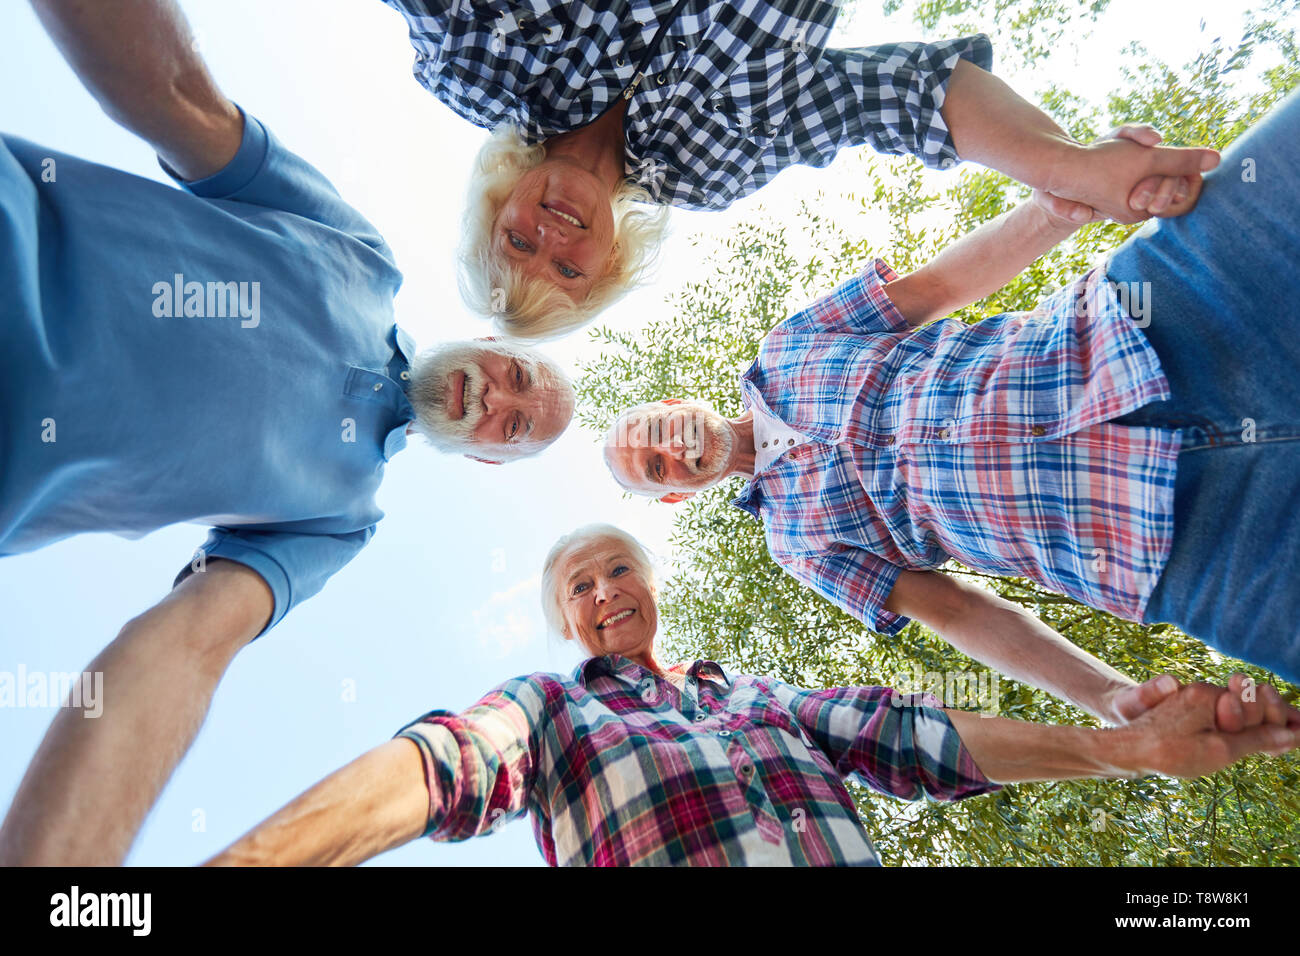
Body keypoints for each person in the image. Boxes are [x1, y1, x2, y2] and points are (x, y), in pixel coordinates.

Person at [0, 0, 574, 865]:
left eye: (515, 430)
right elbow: (178, 96)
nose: (499, 401)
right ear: (494, 344)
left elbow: (189, 646)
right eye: (520, 378)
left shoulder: (341, 521)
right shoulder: (362, 253)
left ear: (485, 459)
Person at [602, 86, 1300, 707]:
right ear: (675, 495)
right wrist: (1110, 697)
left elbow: (935, 289)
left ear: (670, 404)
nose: (671, 447)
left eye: (653, 430)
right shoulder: (797, 544)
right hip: (1171, 542)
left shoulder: (789, 345)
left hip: (1153, 319)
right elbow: (958, 612)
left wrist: (1059, 203)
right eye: (655, 467)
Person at [202, 524, 1298, 867]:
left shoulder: (759, 696)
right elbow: (446, 764)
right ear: (569, 619)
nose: (601, 590)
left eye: (615, 569)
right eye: (577, 585)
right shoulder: (551, 706)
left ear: (648, 589)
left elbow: (911, 734)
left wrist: (1124, 747)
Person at [379, 0, 1218, 340]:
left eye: (516, 243)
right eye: (565, 269)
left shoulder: (479, 70)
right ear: (607, 268)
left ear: (490, 208)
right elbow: (898, 99)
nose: (553, 237)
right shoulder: (708, 169)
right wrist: (1071, 169)